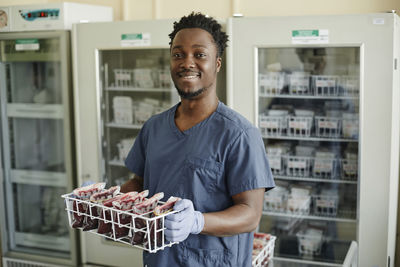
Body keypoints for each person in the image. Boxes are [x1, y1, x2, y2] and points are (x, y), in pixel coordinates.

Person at [121, 12, 275, 267]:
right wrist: (111, 201)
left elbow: (250, 215)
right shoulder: (154, 127)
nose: (187, 62)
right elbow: (139, 183)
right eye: (178, 54)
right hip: (159, 260)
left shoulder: (239, 135)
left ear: (217, 63)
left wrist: (197, 222)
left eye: (199, 54)